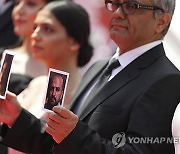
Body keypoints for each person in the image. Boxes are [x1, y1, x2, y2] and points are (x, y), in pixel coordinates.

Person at [0, 0, 180, 154]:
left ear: (161, 21)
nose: (118, 13)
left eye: (132, 6)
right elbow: (57, 143)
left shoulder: (166, 80)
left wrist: (75, 134)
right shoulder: (98, 67)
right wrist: (16, 117)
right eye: (115, 3)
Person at [1, 0, 49, 95]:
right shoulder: (3, 55)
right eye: (17, 3)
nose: (19, 10)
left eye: (31, 4)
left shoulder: (58, 70)